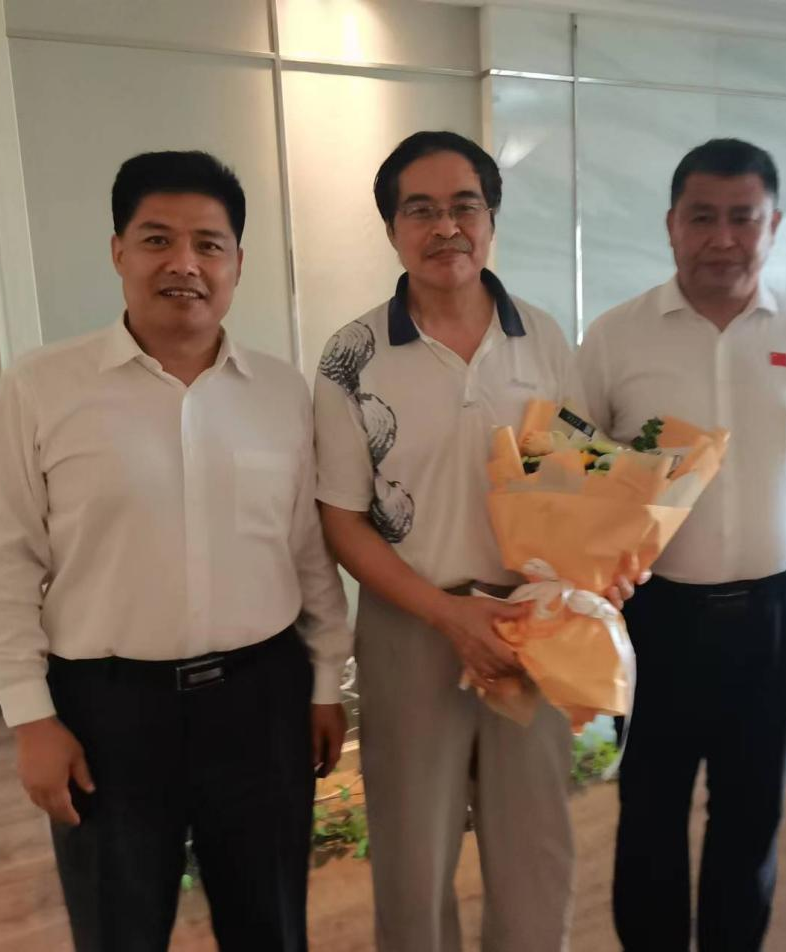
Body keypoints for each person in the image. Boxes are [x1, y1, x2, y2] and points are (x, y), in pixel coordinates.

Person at [0, 150, 351, 952]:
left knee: (272, 926)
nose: (184, 263)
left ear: (237, 262)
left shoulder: (280, 392)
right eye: (156, 240)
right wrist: (30, 718)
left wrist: (323, 684)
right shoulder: (41, 388)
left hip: (260, 700)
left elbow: (307, 555)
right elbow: (1, 565)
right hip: (107, 713)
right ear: (117, 251)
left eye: (209, 244)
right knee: (119, 930)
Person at [314, 130, 637, 952]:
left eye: (464, 206)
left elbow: (580, 482)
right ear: (392, 228)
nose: (445, 227)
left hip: (532, 623)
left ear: (490, 219)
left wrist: (605, 568)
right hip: (409, 627)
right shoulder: (352, 355)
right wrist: (446, 616)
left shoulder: (544, 338)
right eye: (420, 210)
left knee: (534, 851)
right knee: (410, 856)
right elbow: (341, 519)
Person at [578, 138, 786, 951]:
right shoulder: (615, 338)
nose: (722, 238)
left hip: (774, 615)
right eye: (702, 218)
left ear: (772, 225)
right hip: (653, 619)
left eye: (743, 218)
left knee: (750, 812)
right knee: (648, 810)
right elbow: (574, 480)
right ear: (670, 225)